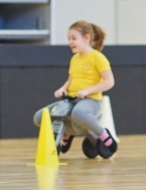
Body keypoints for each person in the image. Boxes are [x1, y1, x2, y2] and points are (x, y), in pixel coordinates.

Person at [33, 20, 118, 158]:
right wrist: (62, 89)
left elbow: (109, 82)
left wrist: (87, 91)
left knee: (78, 113)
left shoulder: (98, 57)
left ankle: (103, 134)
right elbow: (71, 79)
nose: (70, 42)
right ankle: (68, 131)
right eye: (68, 39)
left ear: (86, 38)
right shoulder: (74, 59)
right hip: (71, 99)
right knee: (39, 117)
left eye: (73, 38)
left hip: (90, 100)